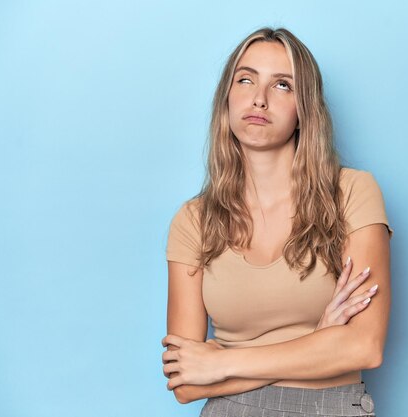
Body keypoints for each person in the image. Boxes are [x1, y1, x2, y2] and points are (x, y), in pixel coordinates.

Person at [161, 27, 393, 416]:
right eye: (246, 79)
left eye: (282, 85)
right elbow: (185, 385)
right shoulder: (193, 220)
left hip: (330, 407)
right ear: (227, 99)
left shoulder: (352, 192)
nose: (259, 99)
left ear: (305, 109)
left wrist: (221, 361)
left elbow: (363, 347)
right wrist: (319, 339)